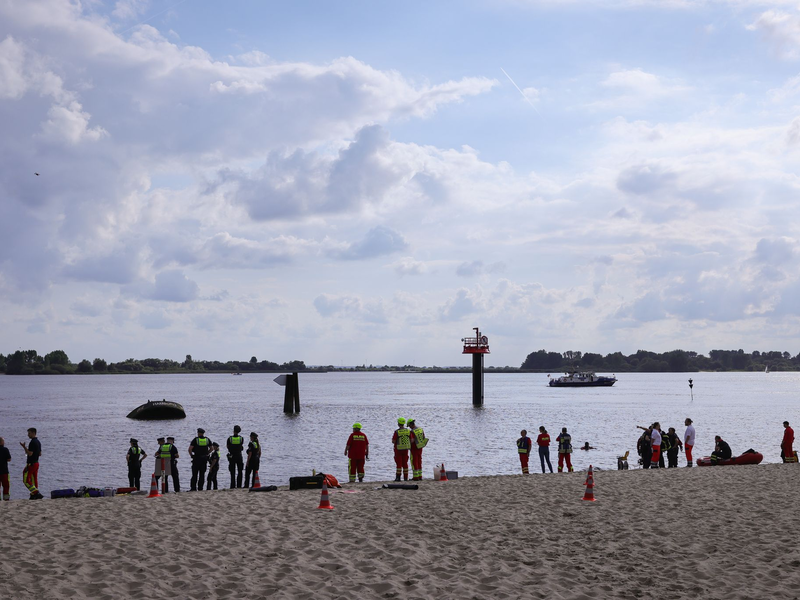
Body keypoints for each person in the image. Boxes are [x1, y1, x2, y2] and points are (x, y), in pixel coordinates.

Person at [20, 428, 43, 500]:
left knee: (26, 480)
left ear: (33, 433)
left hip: (31, 464)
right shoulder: (38, 442)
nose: (28, 435)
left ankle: (36, 492)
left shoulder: (32, 442)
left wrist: (24, 447)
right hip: (36, 463)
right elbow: (40, 454)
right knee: (34, 479)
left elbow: (30, 453)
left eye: (29, 433)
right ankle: (34, 494)